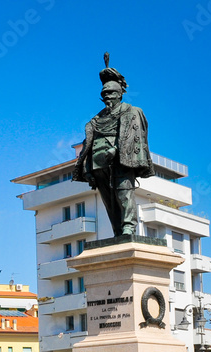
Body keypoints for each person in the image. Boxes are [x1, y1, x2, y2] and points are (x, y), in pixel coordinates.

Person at [72, 54, 155, 237]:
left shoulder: (131, 111)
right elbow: (88, 144)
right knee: (108, 200)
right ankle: (117, 231)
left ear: (119, 94)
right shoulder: (96, 119)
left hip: (121, 160)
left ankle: (128, 227)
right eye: (104, 94)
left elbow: (133, 134)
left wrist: (117, 149)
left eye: (111, 93)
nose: (107, 96)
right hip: (98, 164)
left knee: (123, 194)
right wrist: (87, 169)